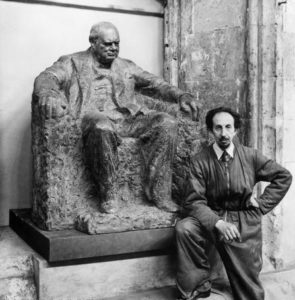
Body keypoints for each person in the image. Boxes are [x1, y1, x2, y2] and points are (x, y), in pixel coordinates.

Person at [33, 21, 198, 214]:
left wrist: (180, 95)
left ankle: (160, 194)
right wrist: (48, 94)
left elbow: (157, 84)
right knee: (102, 126)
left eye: (116, 44)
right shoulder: (72, 62)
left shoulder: (126, 66)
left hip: (127, 118)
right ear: (93, 43)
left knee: (166, 123)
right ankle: (109, 194)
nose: (113, 48)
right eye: (107, 44)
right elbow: (47, 77)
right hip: (93, 117)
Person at [175, 107, 292, 300]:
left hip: (243, 219)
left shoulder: (250, 156)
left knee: (249, 292)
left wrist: (262, 204)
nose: (223, 133)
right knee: (184, 228)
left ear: (235, 129)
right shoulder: (199, 161)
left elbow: (283, 176)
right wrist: (217, 222)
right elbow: (194, 201)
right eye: (218, 128)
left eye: (228, 127)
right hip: (212, 218)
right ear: (211, 131)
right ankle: (199, 284)